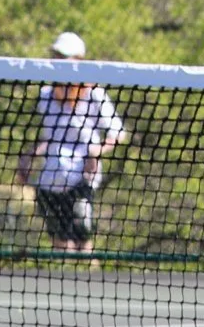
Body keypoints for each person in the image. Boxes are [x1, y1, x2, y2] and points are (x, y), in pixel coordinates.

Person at [15, 32, 126, 257]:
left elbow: (118, 133)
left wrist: (96, 152)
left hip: (81, 178)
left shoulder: (95, 95)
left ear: (78, 60)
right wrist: (29, 156)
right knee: (60, 240)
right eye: (56, 55)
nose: (58, 61)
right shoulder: (46, 95)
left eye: (63, 56)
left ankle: (89, 278)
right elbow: (51, 136)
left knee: (82, 233)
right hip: (51, 177)